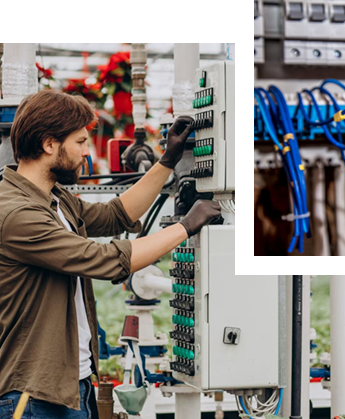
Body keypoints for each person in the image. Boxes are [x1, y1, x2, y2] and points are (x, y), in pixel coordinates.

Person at [0, 89, 221, 418]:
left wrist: (167, 161)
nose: (86, 153)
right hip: (33, 396)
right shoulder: (17, 213)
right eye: (79, 142)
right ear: (49, 144)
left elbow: (115, 214)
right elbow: (103, 259)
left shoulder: (53, 197)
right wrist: (185, 227)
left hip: (70, 385)